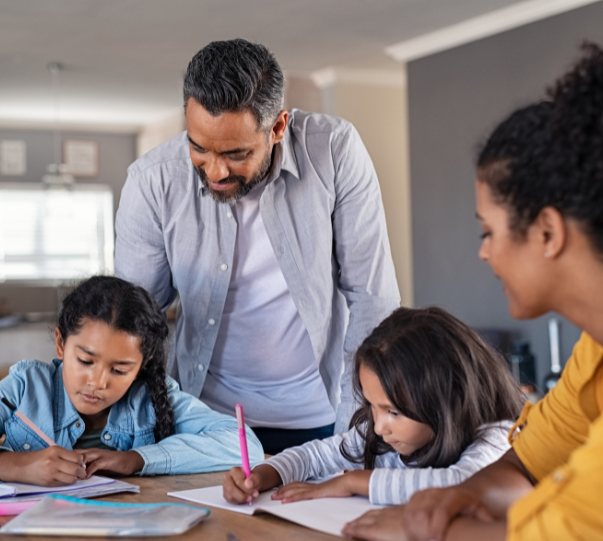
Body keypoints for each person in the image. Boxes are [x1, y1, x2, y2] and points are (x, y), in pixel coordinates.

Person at [342, 29, 603, 541]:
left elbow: (571, 538)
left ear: (548, 232)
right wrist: (457, 499)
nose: (484, 253)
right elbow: (529, 462)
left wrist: (424, 534)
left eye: (488, 231)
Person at [115, 39, 400, 453]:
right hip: (205, 422)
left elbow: (374, 299)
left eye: (235, 153)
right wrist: (135, 432)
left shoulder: (335, 151)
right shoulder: (151, 181)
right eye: (198, 147)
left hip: (324, 417)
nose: (214, 170)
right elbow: (131, 320)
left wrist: (356, 430)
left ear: (278, 127)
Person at [0, 276, 264, 485]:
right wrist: (13, 465)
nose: (97, 381)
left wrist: (137, 459)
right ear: (61, 344)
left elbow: (243, 445)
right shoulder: (26, 387)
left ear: (143, 364)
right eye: (86, 360)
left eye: (120, 369)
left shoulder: (154, 396)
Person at [222, 307, 523, 506]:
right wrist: (263, 475)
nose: (378, 427)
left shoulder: (497, 438)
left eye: (393, 411)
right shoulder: (381, 432)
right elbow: (315, 455)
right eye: (371, 405)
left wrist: (354, 481)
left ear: (448, 399)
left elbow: (464, 484)